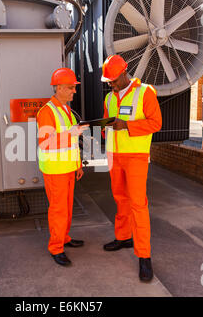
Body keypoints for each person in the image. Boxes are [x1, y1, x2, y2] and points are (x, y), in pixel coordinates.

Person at [101, 55, 162, 282]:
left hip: (135, 156)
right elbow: (107, 123)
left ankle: (144, 256)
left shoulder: (145, 92)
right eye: (108, 81)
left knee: (138, 204)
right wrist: (102, 128)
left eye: (113, 80)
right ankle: (123, 237)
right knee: (120, 198)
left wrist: (126, 124)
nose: (111, 84)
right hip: (114, 155)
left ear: (124, 74)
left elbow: (156, 123)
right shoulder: (109, 98)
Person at [36, 67, 89, 266]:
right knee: (58, 210)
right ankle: (56, 248)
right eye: (70, 88)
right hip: (55, 170)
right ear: (57, 88)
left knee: (66, 209)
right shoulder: (47, 112)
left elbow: (72, 143)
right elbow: (46, 142)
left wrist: (77, 166)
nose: (74, 91)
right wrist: (73, 132)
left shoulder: (66, 110)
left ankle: (64, 238)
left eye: (74, 88)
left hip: (67, 169)